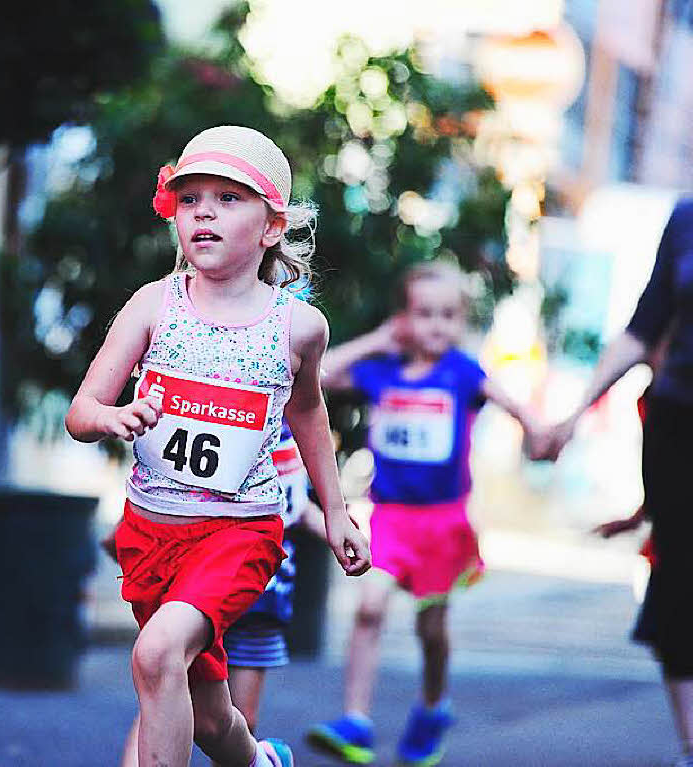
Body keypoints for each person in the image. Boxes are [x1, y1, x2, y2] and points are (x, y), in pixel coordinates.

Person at [65, 125, 371, 767]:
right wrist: (115, 418)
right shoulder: (153, 305)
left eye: (228, 198)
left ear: (271, 228)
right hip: (151, 535)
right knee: (208, 715)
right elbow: (81, 412)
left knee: (154, 656)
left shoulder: (297, 326)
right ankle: (259, 761)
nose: (203, 211)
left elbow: (309, 412)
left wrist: (336, 510)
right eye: (190, 198)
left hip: (239, 533)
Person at [307, 262, 540, 766]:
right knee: (370, 608)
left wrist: (539, 433)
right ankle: (356, 720)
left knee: (432, 632)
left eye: (450, 315)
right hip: (391, 518)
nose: (438, 325)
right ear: (403, 319)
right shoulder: (382, 371)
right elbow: (316, 377)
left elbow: (513, 404)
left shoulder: (461, 372)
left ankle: (434, 707)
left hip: (443, 523)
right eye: (425, 314)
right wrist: (375, 340)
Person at [533, 198, 693, 766]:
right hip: (680, 424)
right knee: (678, 581)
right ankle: (690, 745)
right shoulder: (686, 216)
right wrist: (575, 413)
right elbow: (642, 328)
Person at [112, 420, 325, 767]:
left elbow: (297, 504)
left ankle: (260, 760)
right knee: (160, 682)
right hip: (195, 585)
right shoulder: (212, 410)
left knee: (228, 721)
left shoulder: (288, 430)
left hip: (260, 601)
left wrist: (335, 523)